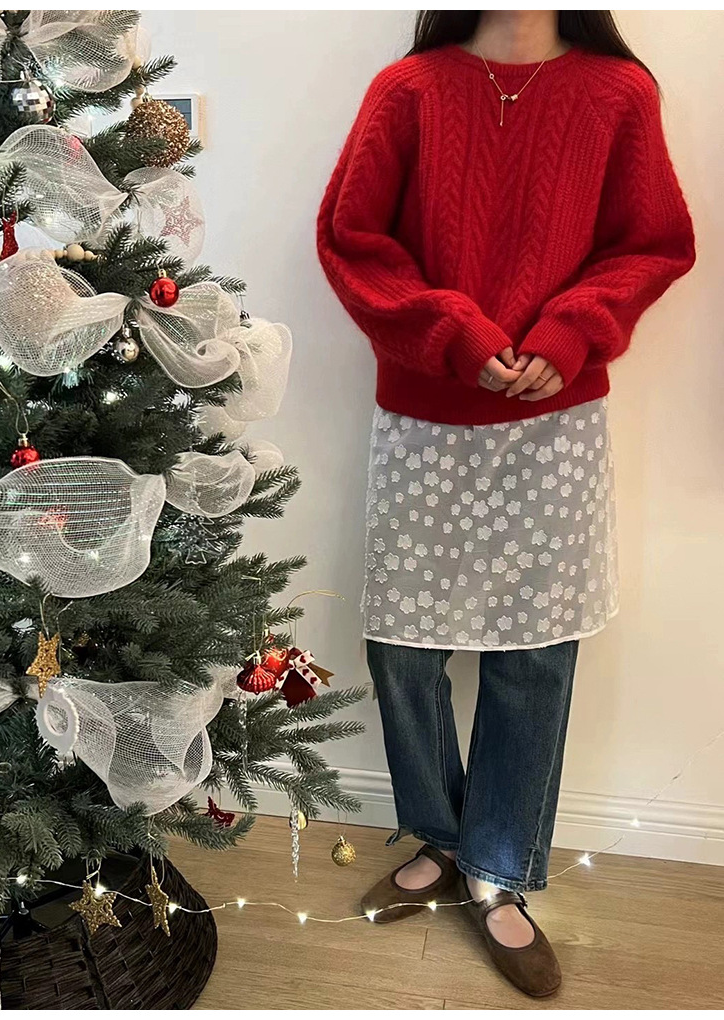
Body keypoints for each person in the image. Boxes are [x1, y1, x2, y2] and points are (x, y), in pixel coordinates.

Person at [317, 9, 695, 998]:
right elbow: (352, 240)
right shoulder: (408, 91)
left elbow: (652, 243)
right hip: (424, 412)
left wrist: (572, 331)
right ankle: (440, 839)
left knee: (533, 653)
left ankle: (497, 867)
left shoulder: (619, 94)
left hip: (554, 421)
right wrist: (455, 333)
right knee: (405, 648)